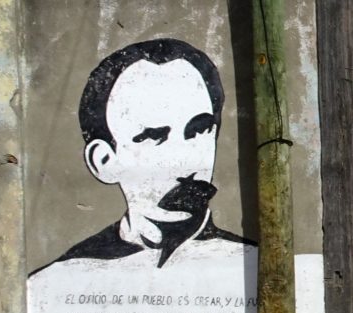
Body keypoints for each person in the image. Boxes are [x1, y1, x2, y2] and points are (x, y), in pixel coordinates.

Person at [31, 38, 251, 276]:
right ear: (103, 161)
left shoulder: (254, 268)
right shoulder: (60, 280)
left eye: (199, 130)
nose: (183, 162)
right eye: (153, 137)